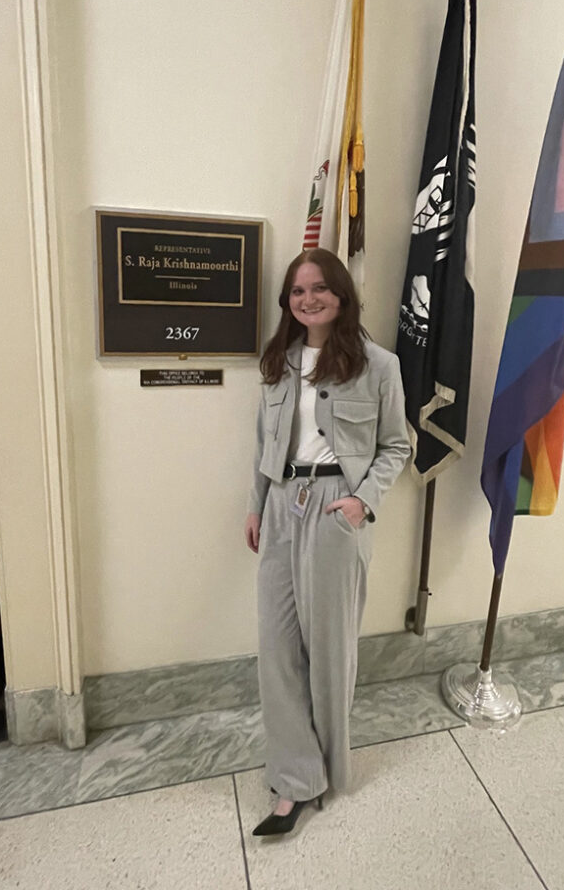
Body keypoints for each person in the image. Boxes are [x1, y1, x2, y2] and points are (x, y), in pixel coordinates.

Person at [244, 248, 410, 836]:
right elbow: (264, 443)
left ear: (341, 294)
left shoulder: (378, 364)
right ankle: (296, 776)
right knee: (278, 647)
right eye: (297, 291)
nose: (308, 299)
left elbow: (397, 445)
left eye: (319, 288)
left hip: (338, 506)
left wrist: (362, 502)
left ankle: (330, 770)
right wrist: (256, 505)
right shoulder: (278, 362)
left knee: (330, 648)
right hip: (282, 505)